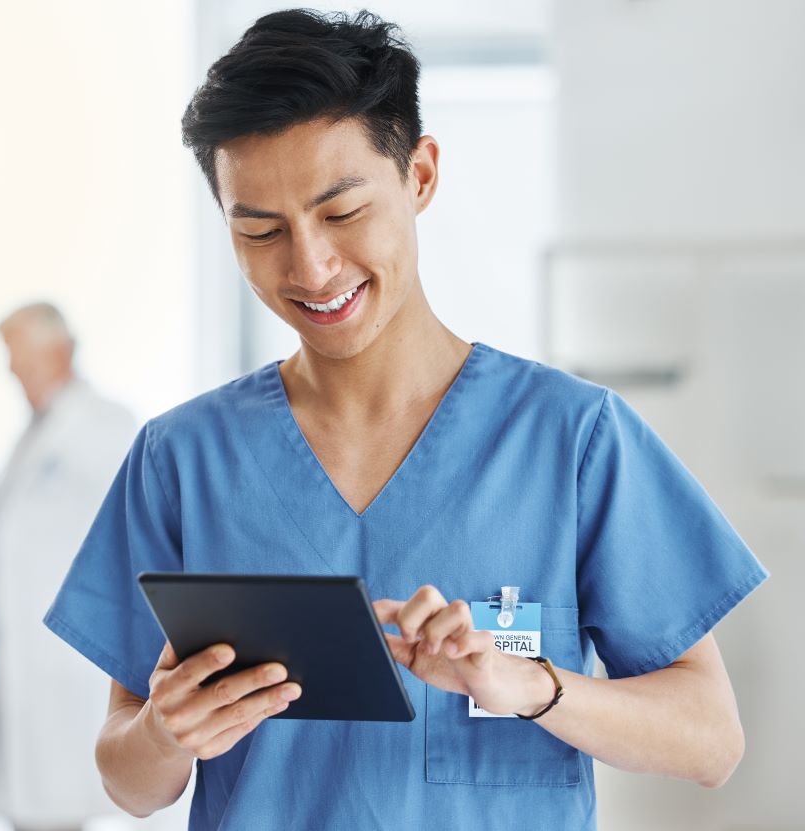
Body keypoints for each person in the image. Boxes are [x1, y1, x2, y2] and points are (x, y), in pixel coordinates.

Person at [43, 10, 769, 830]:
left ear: (419, 175)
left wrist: (533, 686)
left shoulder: (572, 439)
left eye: (342, 212)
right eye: (260, 230)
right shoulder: (183, 459)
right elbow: (131, 781)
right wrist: (165, 733)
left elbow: (712, 739)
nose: (311, 266)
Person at [0, 303, 136, 831]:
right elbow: (27, 541)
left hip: (61, 653)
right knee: (32, 807)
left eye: (16, 354)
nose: (9, 369)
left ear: (60, 351)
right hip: (15, 642)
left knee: (55, 802)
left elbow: (125, 534)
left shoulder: (104, 425)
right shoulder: (35, 434)